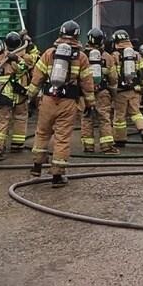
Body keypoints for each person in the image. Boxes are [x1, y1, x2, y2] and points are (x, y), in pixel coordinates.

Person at [29, 21, 96, 187]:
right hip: (68, 102)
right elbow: (87, 83)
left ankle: (36, 168)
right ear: (77, 35)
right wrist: (90, 104)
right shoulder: (81, 57)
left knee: (42, 133)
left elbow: (37, 78)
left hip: (48, 100)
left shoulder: (49, 54)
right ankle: (57, 176)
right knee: (62, 138)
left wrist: (31, 98)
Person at [109, 29, 143, 146]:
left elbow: (112, 75)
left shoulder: (113, 56)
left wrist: (111, 88)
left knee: (119, 116)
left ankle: (120, 140)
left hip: (120, 92)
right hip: (135, 90)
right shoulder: (137, 55)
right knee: (136, 112)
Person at [81, 28, 120, 154]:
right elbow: (113, 78)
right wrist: (113, 94)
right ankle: (107, 147)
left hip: (86, 93)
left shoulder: (82, 56)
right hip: (102, 93)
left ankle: (88, 147)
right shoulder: (107, 57)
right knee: (104, 118)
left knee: (87, 118)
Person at [4, 30, 35, 152]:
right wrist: (30, 43)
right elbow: (35, 56)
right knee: (20, 118)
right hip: (20, 95)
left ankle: (0, 145)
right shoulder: (25, 58)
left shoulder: (0, 57)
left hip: (5, 95)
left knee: (3, 120)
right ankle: (17, 145)